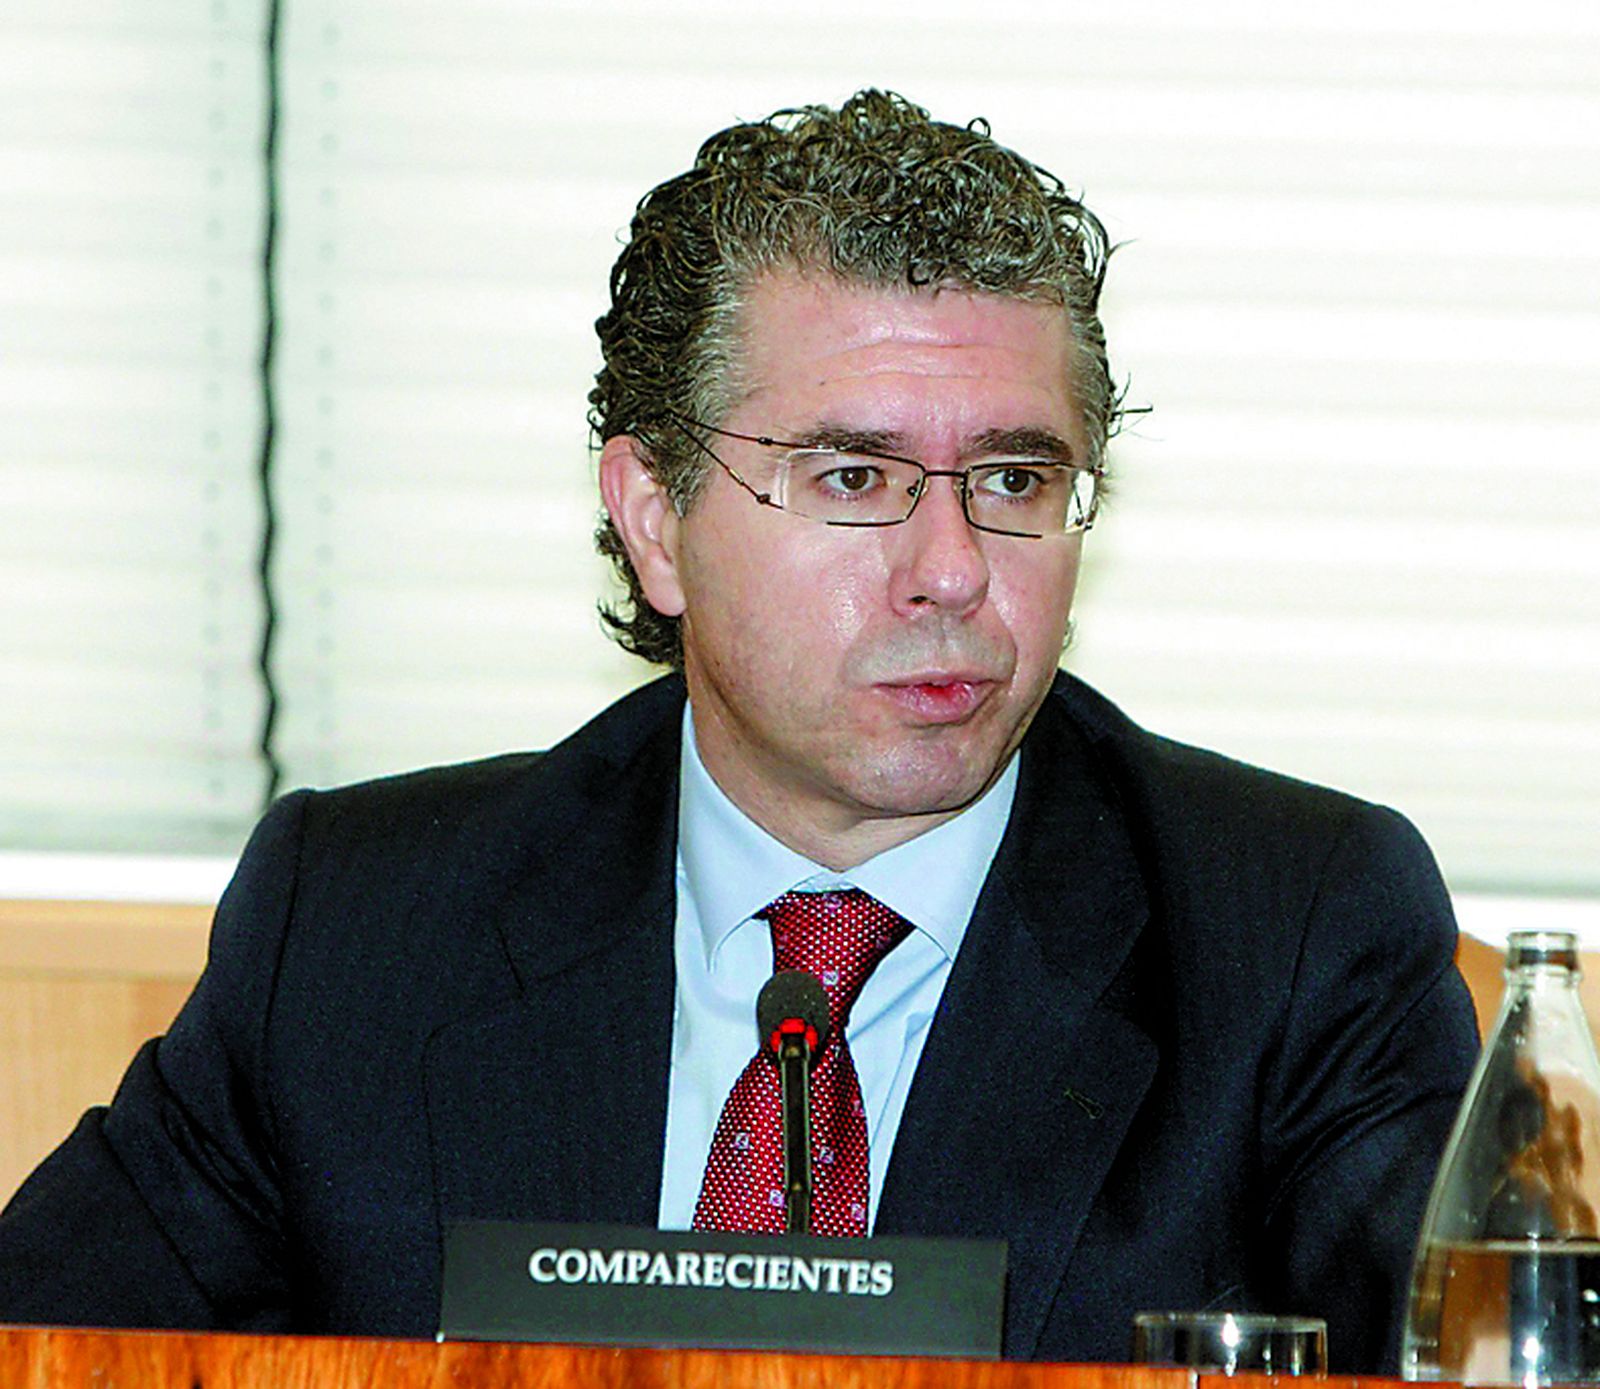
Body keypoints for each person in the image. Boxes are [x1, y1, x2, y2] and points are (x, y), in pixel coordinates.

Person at [0, 90, 1476, 1371]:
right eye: (853, 476)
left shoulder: (1295, 938)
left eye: (1017, 480)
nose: (954, 568)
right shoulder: (361, 926)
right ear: (654, 520)